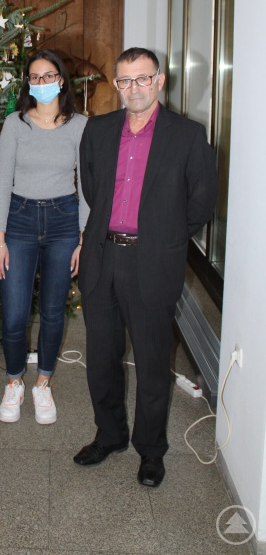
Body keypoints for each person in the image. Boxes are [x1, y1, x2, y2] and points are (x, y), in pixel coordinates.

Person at [74, 47, 218, 488]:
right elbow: (93, 190)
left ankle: (151, 450)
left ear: (159, 81)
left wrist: (165, 237)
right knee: (101, 357)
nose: (133, 88)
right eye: (125, 80)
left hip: (154, 260)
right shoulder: (97, 131)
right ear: (116, 86)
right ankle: (110, 435)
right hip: (102, 256)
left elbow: (202, 203)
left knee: (154, 361)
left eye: (142, 78)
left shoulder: (188, 135)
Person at [0, 49, 88, 425]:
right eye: (35, 77)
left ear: (61, 80)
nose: (43, 83)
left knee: (52, 311)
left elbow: (87, 186)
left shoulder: (81, 125)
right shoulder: (15, 124)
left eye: (50, 76)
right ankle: (15, 381)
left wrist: (81, 234)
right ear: (27, 83)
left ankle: (43, 383)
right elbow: (2, 183)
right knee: (14, 312)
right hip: (19, 219)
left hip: (64, 219)